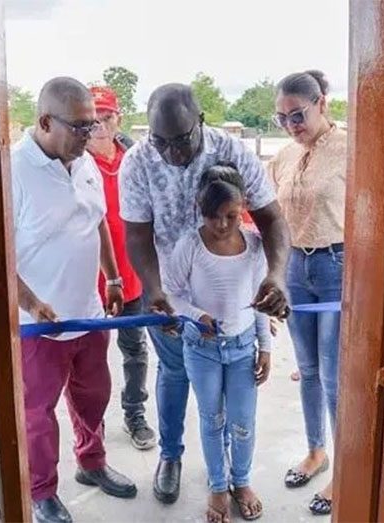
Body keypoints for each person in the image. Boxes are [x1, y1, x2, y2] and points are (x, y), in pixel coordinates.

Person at [119, 83, 291, 505]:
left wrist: (277, 275)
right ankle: (171, 456)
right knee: (174, 374)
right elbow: (137, 235)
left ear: (200, 122)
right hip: (171, 293)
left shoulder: (232, 152)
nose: (170, 152)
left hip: (229, 296)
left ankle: (237, 474)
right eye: (159, 140)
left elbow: (272, 219)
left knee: (236, 402)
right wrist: (155, 290)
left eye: (180, 140)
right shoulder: (138, 162)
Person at [12, 77, 137, 523]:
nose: (91, 136)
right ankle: (42, 490)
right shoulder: (14, 171)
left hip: (90, 312)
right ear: (45, 121)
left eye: (95, 125)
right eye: (81, 127)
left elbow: (97, 220)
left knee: (94, 396)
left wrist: (115, 278)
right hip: (40, 325)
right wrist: (31, 302)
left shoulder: (80, 161)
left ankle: (92, 462)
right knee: (37, 413)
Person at [166, 163, 271, 522]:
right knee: (212, 420)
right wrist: (196, 316)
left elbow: (259, 301)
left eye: (231, 215)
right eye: (213, 216)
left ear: (243, 207)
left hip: (243, 349)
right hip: (202, 350)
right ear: (200, 209)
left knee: (243, 421)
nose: (222, 224)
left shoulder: (255, 247)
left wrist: (266, 348)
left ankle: (240, 481)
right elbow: (173, 294)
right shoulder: (190, 245)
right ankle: (216, 483)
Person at [267, 70, 347, 517]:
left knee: (334, 376)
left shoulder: (352, 149)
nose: (291, 125)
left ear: (322, 103)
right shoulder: (282, 156)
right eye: (281, 118)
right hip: (294, 267)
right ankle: (317, 452)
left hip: (336, 266)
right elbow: (268, 215)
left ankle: (345, 468)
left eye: (298, 114)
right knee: (308, 369)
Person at [86, 86, 157, 450]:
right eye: (93, 118)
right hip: (88, 283)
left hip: (131, 278)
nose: (99, 125)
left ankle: (135, 414)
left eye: (107, 116)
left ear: (119, 118)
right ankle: (90, 430)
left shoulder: (134, 159)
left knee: (135, 351)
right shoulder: (74, 163)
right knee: (90, 361)